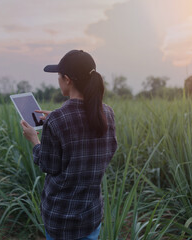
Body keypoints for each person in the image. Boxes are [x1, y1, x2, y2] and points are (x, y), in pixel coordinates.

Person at [20, 50, 117, 240]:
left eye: (59, 76)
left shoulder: (58, 119)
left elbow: (48, 165)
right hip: (91, 215)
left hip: (61, 218)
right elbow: (108, 151)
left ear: (67, 79)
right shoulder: (108, 113)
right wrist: (54, 120)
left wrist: (34, 139)